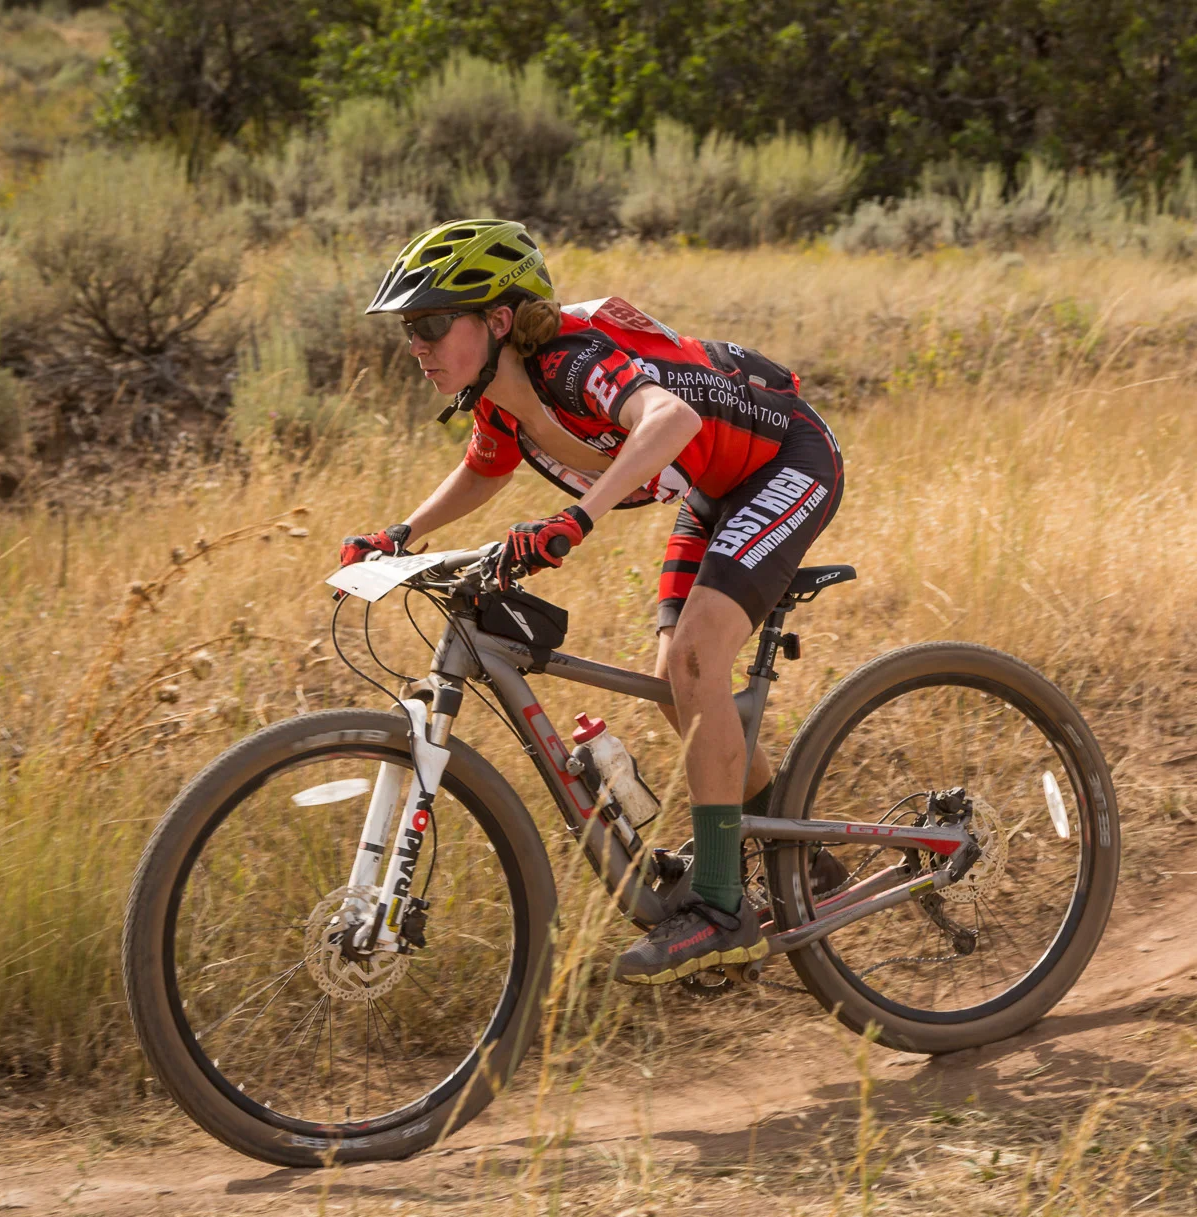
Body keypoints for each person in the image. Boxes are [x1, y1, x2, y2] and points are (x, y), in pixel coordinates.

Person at [341, 218, 844, 985]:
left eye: (432, 323)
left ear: (498, 321)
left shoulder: (571, 360)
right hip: (714, 488)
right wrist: (401, 533)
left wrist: (576, 519)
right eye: (409, 328)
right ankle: (803, 861)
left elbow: (671, 420)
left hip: (785, 460)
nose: (417, 344)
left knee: (697, 656)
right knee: (678, 680)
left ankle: (721, 910)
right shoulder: (499, 398)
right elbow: (484, 469)